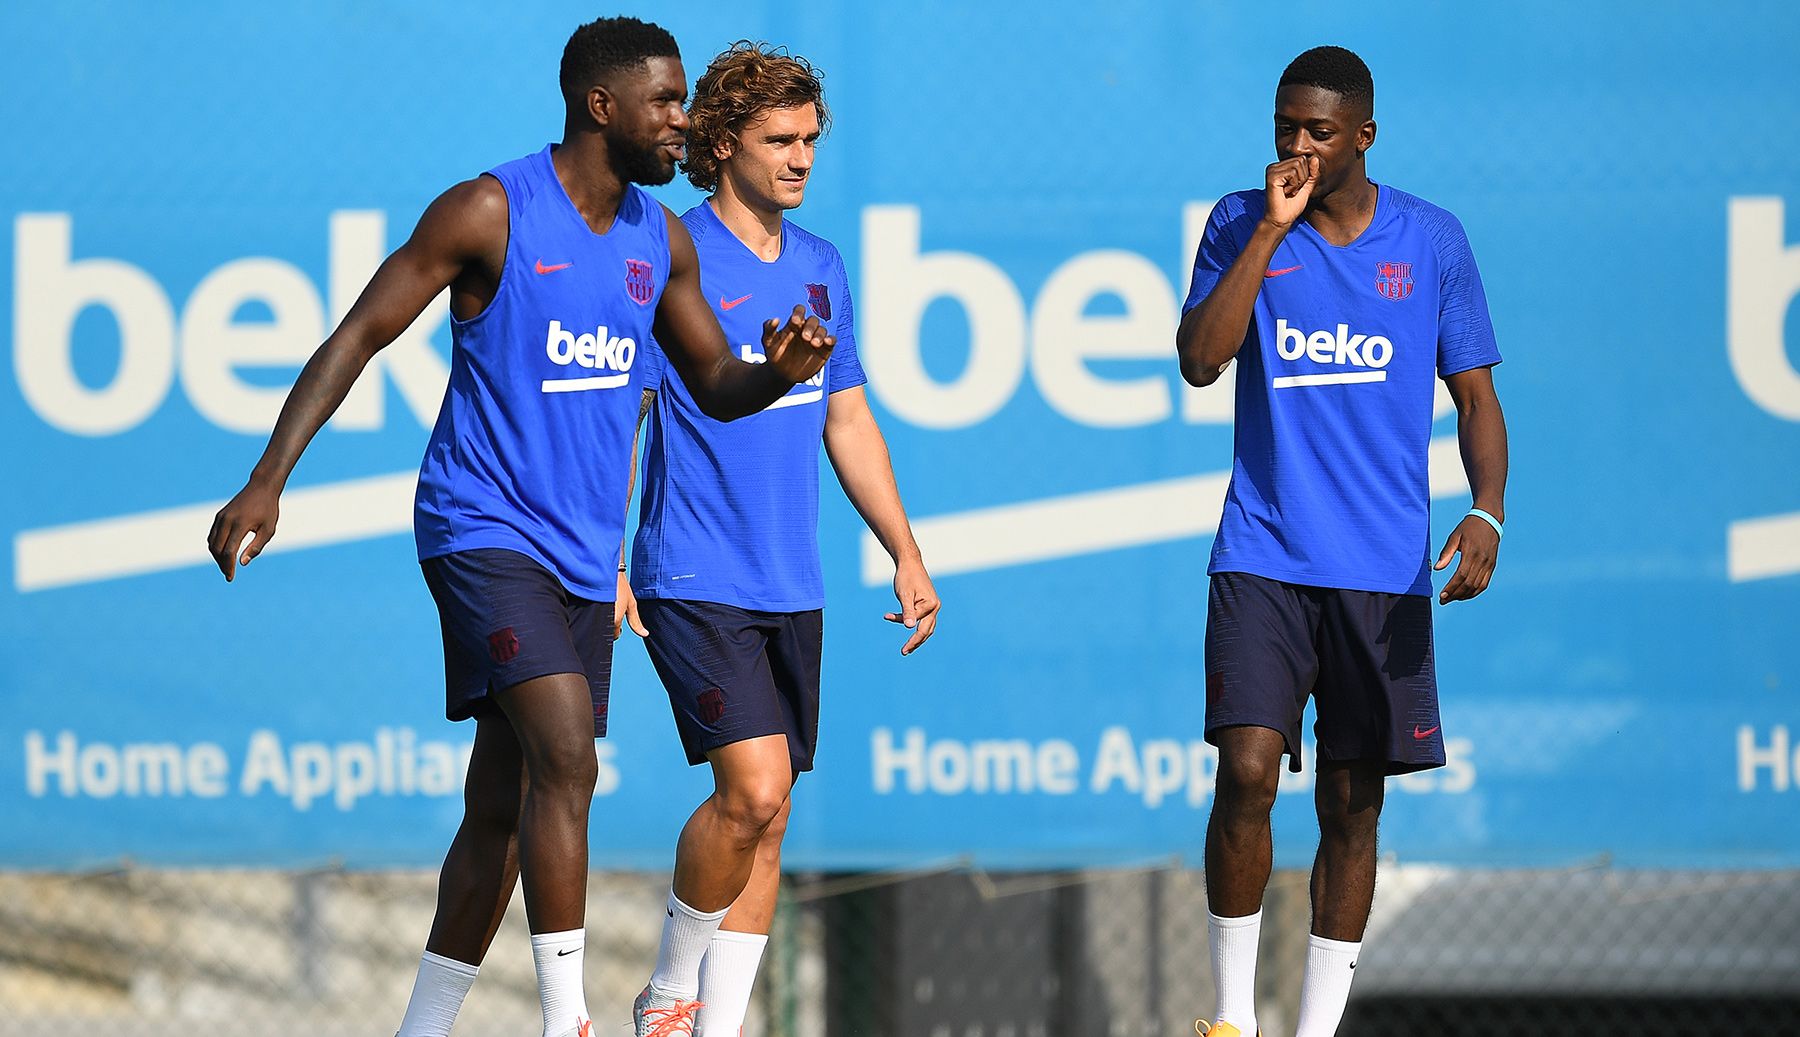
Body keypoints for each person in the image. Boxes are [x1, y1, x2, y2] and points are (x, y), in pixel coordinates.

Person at [205, 18, 835, 1037]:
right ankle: (567, 1020)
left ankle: (423, 1024)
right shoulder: (489, 211)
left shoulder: (659, 239)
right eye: (666, 102)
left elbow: (716, 383)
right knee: (568, 758)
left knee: (502, 804)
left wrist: (781, 373)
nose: (684, 121)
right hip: (480, 530)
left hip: (583, 556)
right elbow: (357, 334)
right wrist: (268, 479)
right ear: (602, 107)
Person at [1174, 45, 1509, 1037]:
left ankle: (1316, 1028)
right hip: (1263, 555)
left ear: (1364, 135)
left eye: (1320, 131)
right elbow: (1199, 359)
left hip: (1381, 573)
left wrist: (1486, 508)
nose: (1299, 146)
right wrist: (1269, 231)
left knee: (1352, 804)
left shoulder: (1433, 241)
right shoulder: (1241, 221)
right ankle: (1232, 1016)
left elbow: (1478, 396)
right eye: (1286, 127)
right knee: (1244, 771)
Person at [618, 42, 940, 1037]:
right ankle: (670, 988)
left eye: (810, 140)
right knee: (749, 785)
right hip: (690, 567)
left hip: (792, 580)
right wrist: (607, 556)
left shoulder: (821, 266)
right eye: (779, 140)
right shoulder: (669, 253)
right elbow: (617, 411)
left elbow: (847, 418)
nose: (801, 158)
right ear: (720, 143)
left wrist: (904, 547)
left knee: (770, 813)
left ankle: (719, 1025)